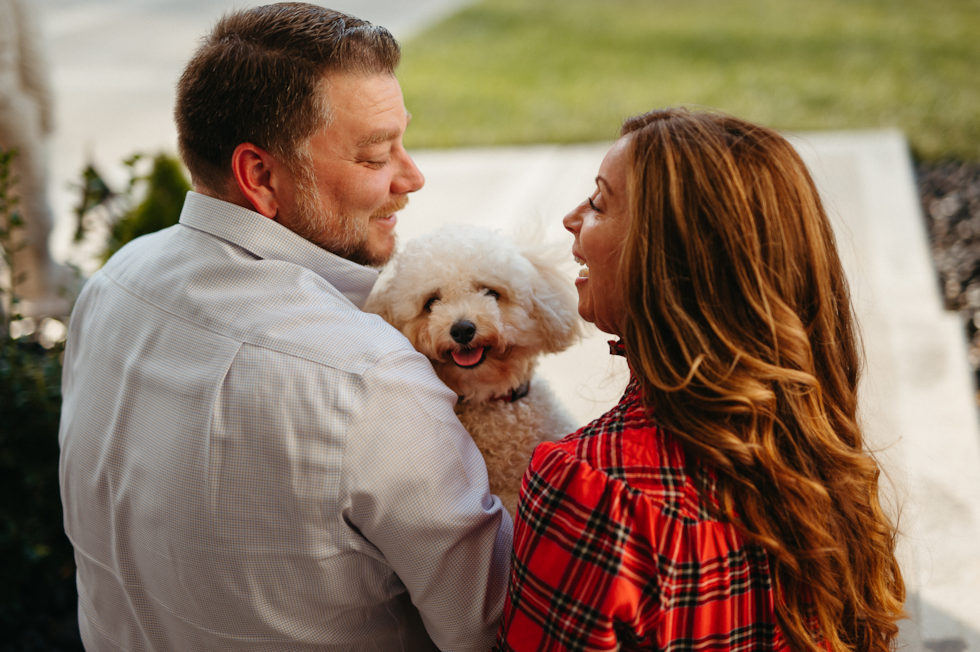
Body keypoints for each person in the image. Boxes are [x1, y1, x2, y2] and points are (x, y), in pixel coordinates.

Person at [58, 5, 511, 651]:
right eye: (376, 155)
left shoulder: (115, 281)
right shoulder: (370, 379)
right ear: (262, 176)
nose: (411, 178)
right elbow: (492, 628)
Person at [495, 108, 906, 651]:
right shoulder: (821, 457)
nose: (572, 219)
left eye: (598, 203)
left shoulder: (597, 491)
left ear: (666, 257)